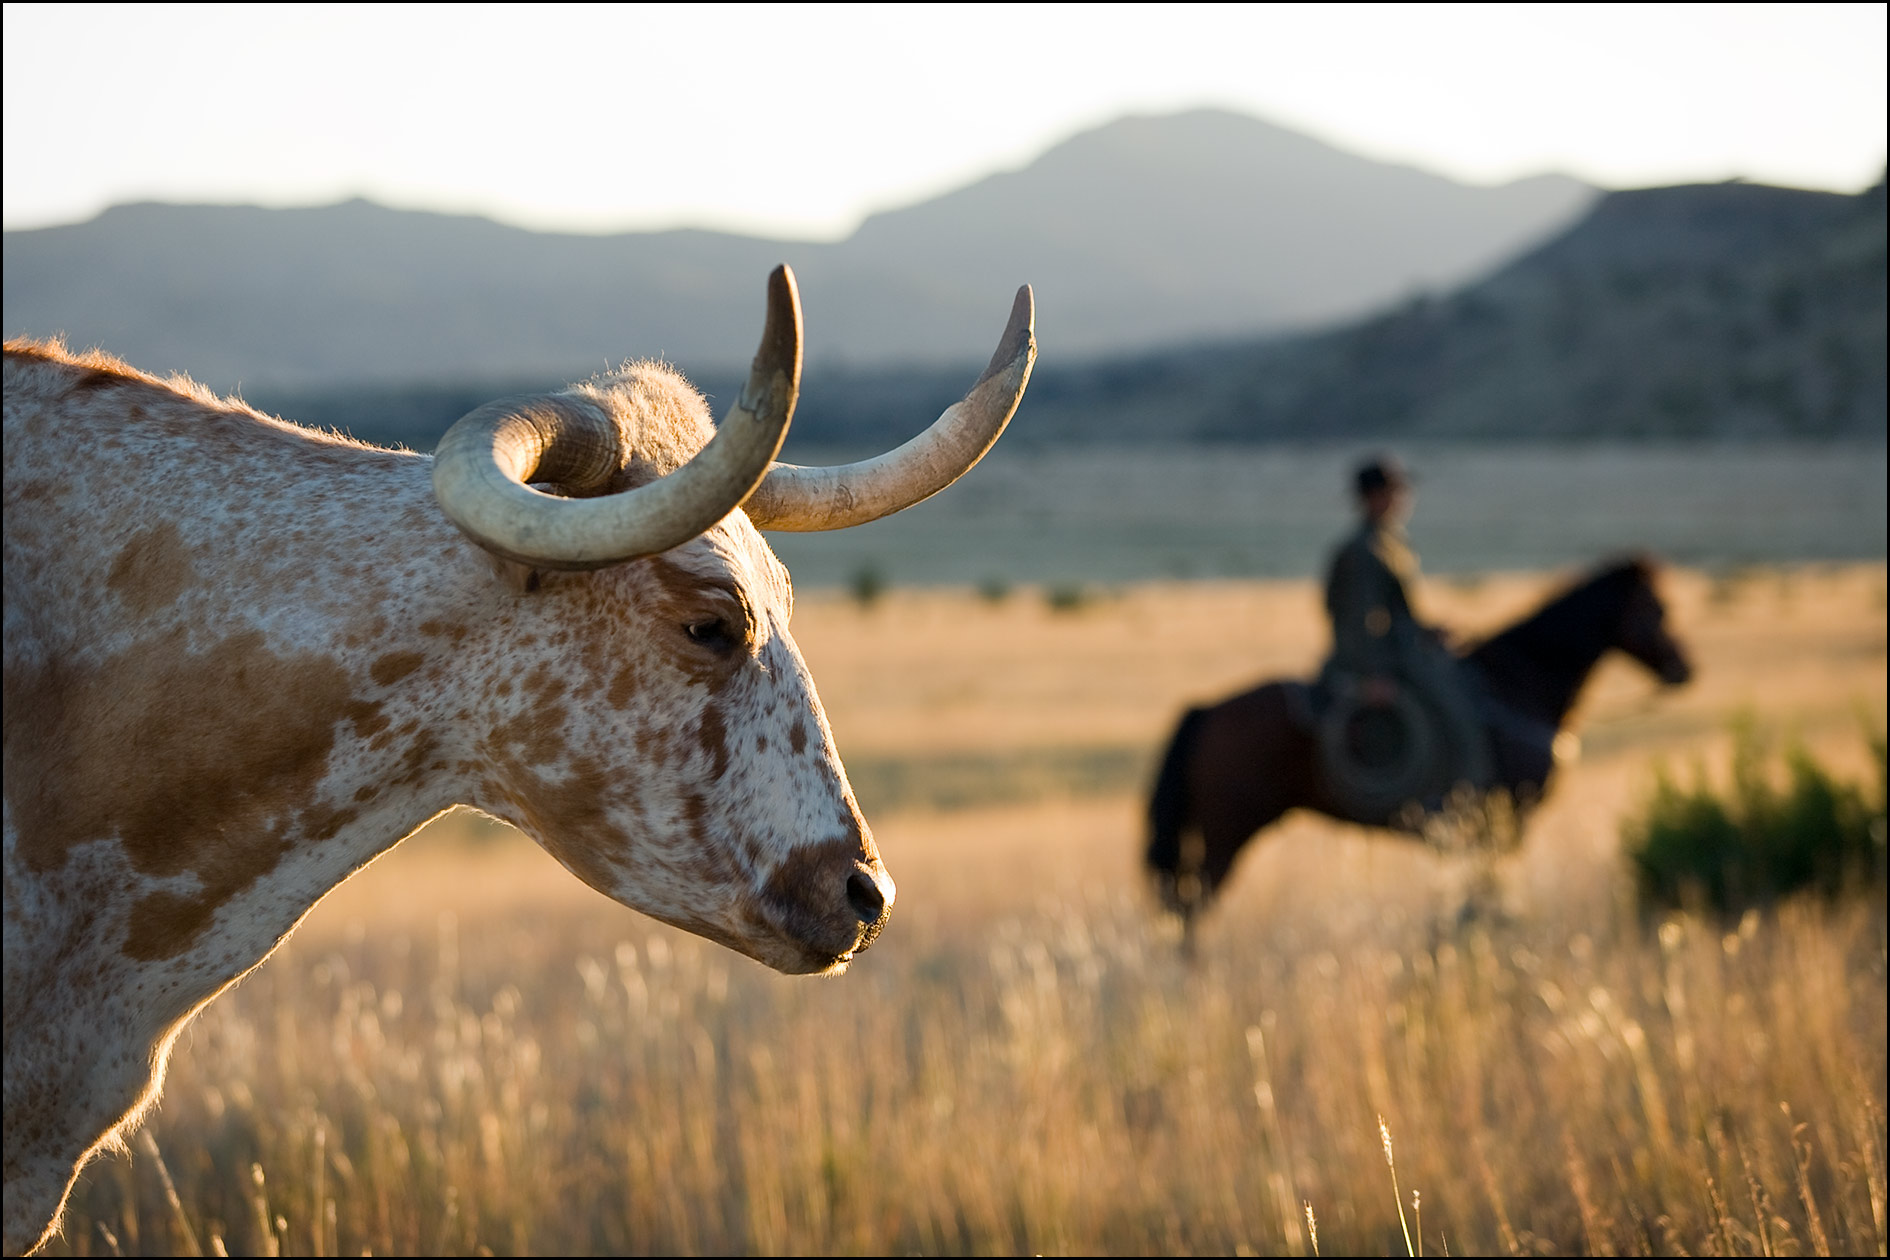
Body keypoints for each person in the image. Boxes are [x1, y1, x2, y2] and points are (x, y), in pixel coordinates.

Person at [1318, 455, 1494, 797]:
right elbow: (1357, 620)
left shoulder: (1389, 543)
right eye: (1393, 492)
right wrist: (1372, 674)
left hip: (1398, 649)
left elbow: (1394, 613)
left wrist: (1427, 631)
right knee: (1452, 706)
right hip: (1381, 661)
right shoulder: (1364, 550)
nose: (1402, 500)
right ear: (1373, 497)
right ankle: (1461, 789)